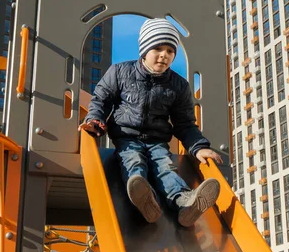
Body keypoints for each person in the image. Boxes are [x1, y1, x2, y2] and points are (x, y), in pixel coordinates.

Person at [79, 18, 223, 227]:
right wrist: (94, 121)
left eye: (170, 51)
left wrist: (199, 148)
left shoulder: (178, 85)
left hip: (157, 140)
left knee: (165, 167)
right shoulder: (120, 72)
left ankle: (185, 204)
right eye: (158, 48)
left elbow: (184, 123)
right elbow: (102, 99)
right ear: (144, 50)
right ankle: (145, 199)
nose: (164, 55)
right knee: (134, 162)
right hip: (127, 137)